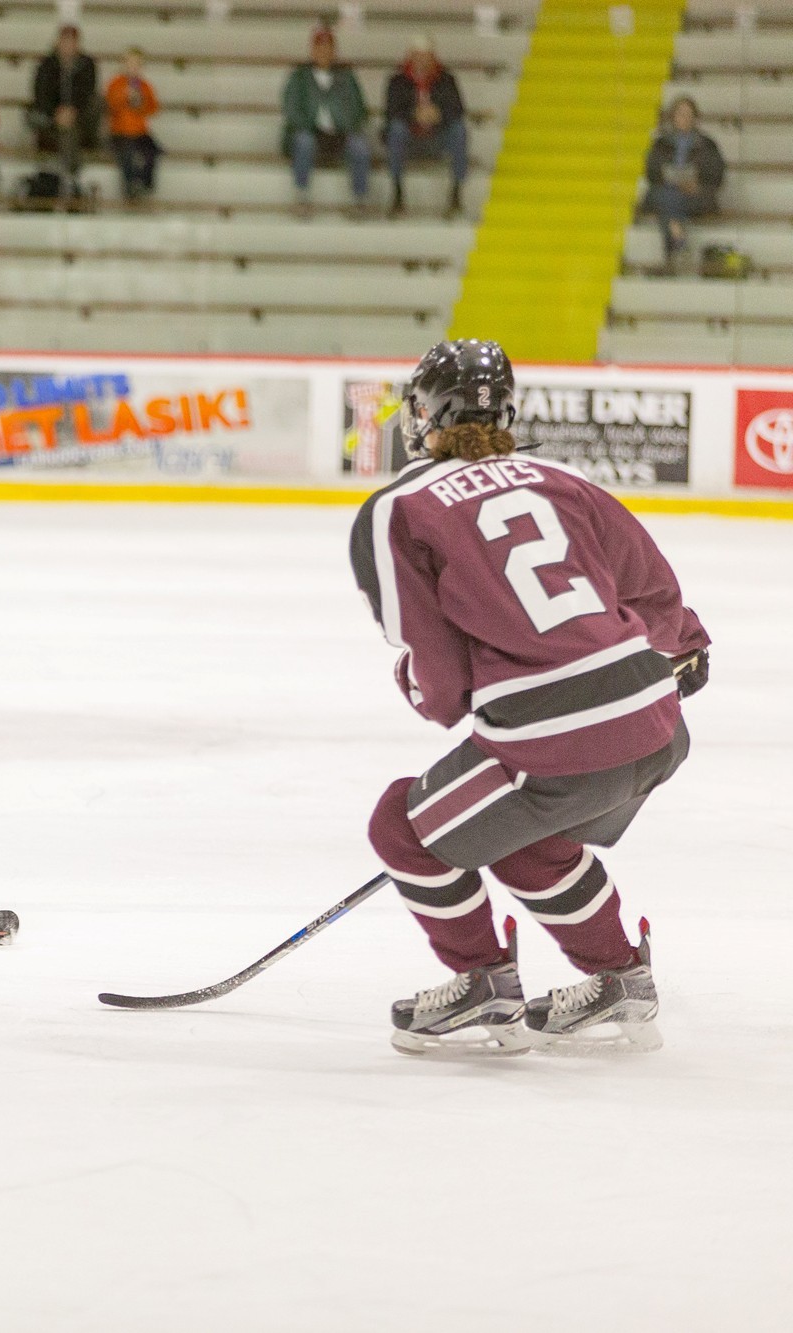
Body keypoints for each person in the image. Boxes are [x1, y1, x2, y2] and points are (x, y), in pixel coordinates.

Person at [350, 339, 710, 1057]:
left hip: (555, 739)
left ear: (426, 413)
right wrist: (688, 645)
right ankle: (618, 977)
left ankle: (481, 980)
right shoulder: (557, 477)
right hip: (656, 721)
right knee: (526, 840)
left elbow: (439, 675)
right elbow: (651, 588)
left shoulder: (398, 509)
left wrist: (421, 690)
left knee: (402, 824)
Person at [282, 27, 371, 217]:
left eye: (328, 48)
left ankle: (359, 201)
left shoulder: (346, 77)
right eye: (319, 48)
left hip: (340, 133)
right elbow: (291, 108)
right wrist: (308, 124)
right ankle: (302, 197)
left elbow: (360, 109)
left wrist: (345, 124)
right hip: (310, 132)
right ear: (312, 50)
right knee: (304, 142)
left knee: (360, 147)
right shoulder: (299, 76)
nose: (324, 53)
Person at [383, 35, 468, 219]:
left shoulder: (446, 80)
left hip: (437, 137)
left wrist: (438, 115)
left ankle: (456, 194)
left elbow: (457, 109)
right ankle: (397, 193)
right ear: (410, 56)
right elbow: (391, 113)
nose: (422, 61)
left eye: (426, 56)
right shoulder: (398, 81)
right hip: (410, 138)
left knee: (459, 130)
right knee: (396, 130)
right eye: (418, 56)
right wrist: (414, 115)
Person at [643, 97, 725, 271]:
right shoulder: (661, 143)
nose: (684, 118)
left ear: (695, 118)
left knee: (668, 202)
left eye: (689, 115)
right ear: (673, 117)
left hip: (695, 194)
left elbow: (716, 175)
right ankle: (678, 241)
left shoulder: (707, 144)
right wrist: (669, 178)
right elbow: (652, 171)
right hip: (666, 190)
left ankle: (673, 253)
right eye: (680, 114)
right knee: (668, 196)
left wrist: (697, 184)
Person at [27, 25, 101, 202]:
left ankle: (68, 174)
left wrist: (72, 111)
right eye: (65, 41)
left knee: (80, 120)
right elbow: (40, 93)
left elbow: (87, 92)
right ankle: (70, 175)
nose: (68, 46)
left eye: (72, 42)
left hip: (79, 117)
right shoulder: (46, 64)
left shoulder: (87, 64)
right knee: (53, 124)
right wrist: (55, 113)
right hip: (52, 118)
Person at [105, 46, 161, 204]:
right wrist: (125, 95)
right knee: (127, 155)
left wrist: (141, 101)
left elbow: (153, 108)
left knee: (152, 152)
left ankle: (146, 183)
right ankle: (129, 186)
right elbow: (110, 105)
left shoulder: (145, 86)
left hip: (139, 131)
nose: (133, 68)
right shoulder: (116, 83)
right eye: (130, 64)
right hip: (120, 132)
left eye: (137, 64)